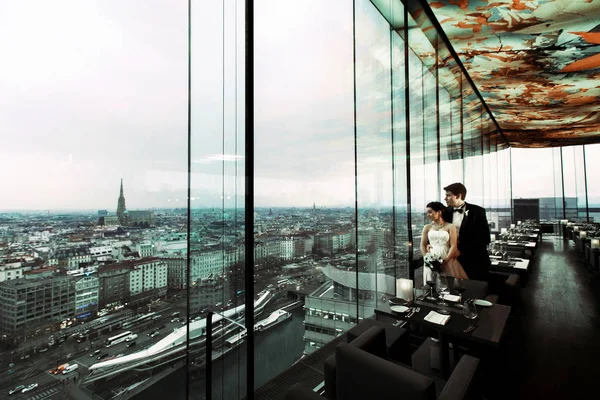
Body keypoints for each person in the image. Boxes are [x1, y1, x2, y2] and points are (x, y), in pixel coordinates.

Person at [442, 182, 491, 281]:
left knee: (476, 290)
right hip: (452, 260)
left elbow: (485, 239)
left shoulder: (478, 211)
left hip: (474, 260)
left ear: (459, 196)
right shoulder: (444, 213)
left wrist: (461, 251)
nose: (445, 198)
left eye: (448, 195)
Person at [420, 201, 468, 282]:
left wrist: (445, 261)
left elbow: (453, 246)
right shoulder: (427, 227)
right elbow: (422, 245)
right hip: (431, 259)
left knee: (449, 283)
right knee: (431, 282)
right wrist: (427, 259)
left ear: (439, 212)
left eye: (430, 212)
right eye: (427, 213)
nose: (428, 215)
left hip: (447, 257)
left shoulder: (450, 226)